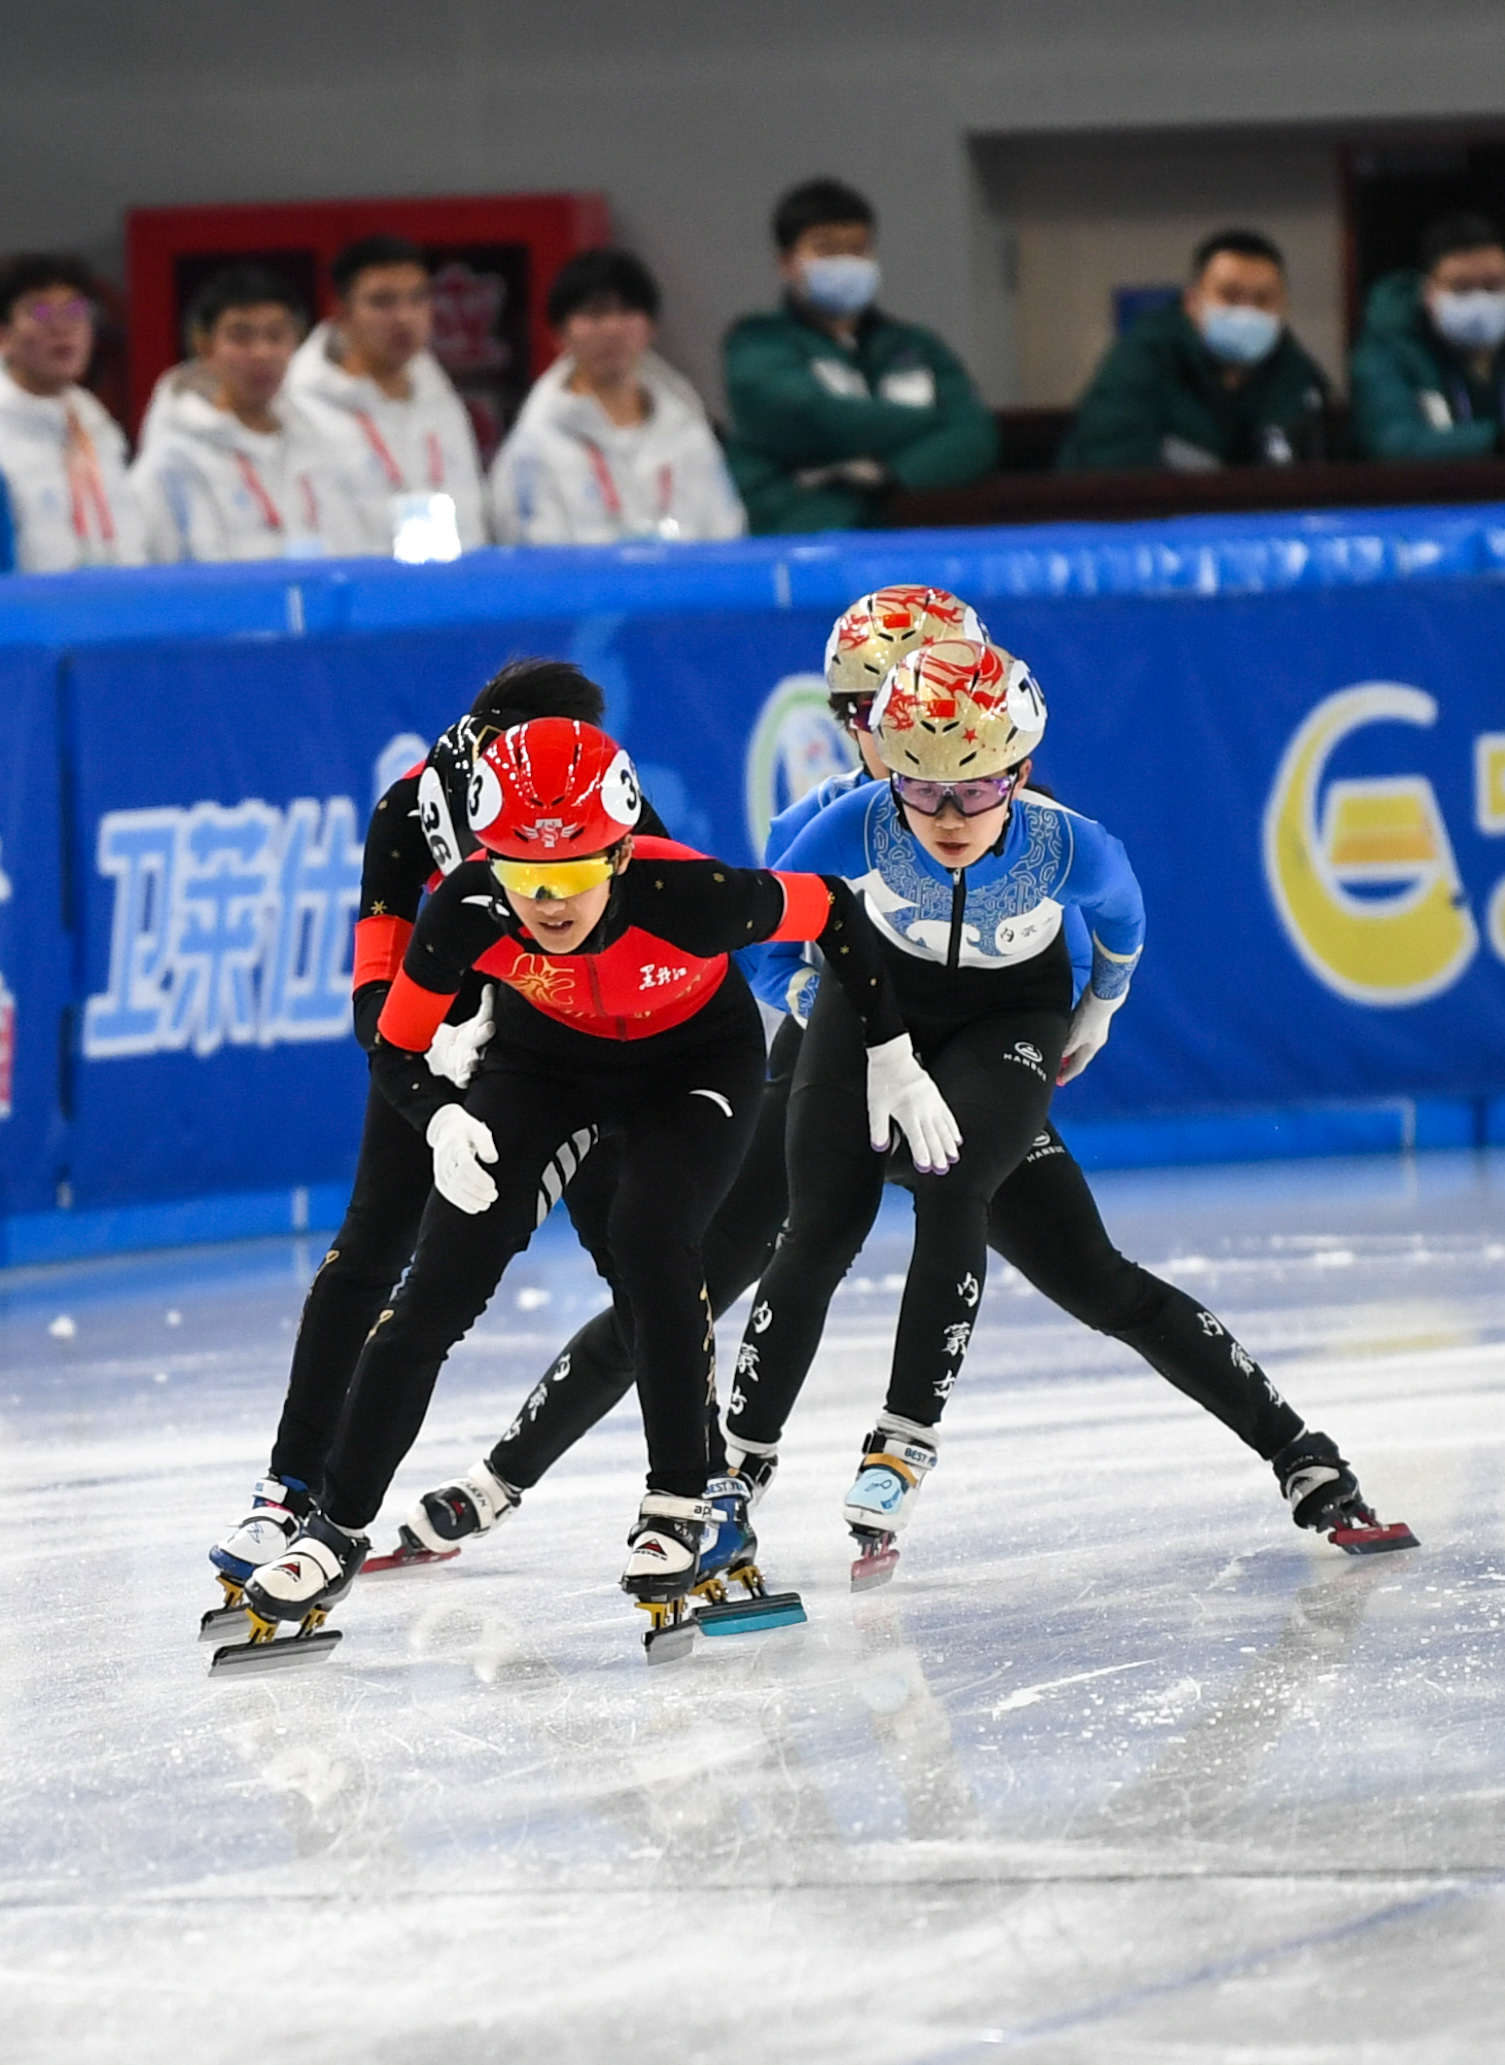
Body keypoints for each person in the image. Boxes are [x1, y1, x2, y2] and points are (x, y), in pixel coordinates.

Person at [406, 591, 1409, 1598]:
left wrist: (1071, 1018)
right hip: (832, 1067)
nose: (895, 738)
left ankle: (1300, 1454)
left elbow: (1080, 941)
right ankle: (510, 1481)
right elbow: (755, 951)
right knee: (690, 1280)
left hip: (974, 1074)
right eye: (859, 709)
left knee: (1094, 1278)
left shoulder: (1012, 814)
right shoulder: (830, 823)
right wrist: (809, 1002)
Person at [240, 716, 956, 1650]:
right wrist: (441, 1114)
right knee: (438, 1283)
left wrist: (892, 1055)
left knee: (653, 1239)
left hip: (691, 1060)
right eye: (521, 872)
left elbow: (832, 910)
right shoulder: (463, 906)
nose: (546, 901)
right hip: (545, 1063)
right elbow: (398, 1042)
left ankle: (680, 1501)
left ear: (618, 854)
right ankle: (334, 1524)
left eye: (574, 873)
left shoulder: (687, 894)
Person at [720, 631, 1407, 1578]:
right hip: (868, 1018)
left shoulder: (1067, 844)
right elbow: (761, 926)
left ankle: (1297, 1456)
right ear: (890, 777)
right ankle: (730, 1481)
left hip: (1007, 1016)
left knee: (1064, 1257)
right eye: (920, 788)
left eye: (976, 786)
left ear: (1021, 770)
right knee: (816, 1232)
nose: (949, 814)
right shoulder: (852, 824)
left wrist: (1101, 1010)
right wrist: (807, 1003)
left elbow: (1123, 924)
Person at [205, 659, 662, 1618]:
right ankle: (290, 1487)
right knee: (373, 1245)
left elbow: (655, 934)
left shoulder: (601, 793)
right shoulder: (410, 810)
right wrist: (427, 1065)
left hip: (567, 1045)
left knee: (640, 1259)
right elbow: (375, 990)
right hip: (440, 1037)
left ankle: (696, 1498)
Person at [722, 178, 998, 534]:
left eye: (858, 248)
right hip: (796, 533)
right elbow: (817, 419)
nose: (846, 262)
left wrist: (888, 475)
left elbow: (975, 435)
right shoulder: (757, 343)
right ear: (787, 264)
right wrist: (932, 421)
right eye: (827, 249)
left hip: (901, 536)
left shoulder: (916, 345)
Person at [491, 247, 745, 545]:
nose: (611, 328)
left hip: (684, 591)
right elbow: (531, 562)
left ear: (651, 328)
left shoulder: (688, 433)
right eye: (593, 313)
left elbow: (727, 535)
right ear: (559, 334)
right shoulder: (534, 445)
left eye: (626, 312)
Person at [132, 266, 362, 563]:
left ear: (296, 343)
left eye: (276, 336)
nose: (261, 353)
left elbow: (352, 553)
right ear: (205, 347)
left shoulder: (318, 445)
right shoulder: (171, 462)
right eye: (241, 338)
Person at [1057, 229, 1329, 472]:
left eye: (1262, 299)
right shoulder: (1144, 355)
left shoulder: (1299, 376)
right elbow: (1113, 459)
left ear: (1284, 309)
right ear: (1192, 302)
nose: (1247, 311)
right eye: (1230, 296)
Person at [287, 233, 488, 557]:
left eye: (418, 299)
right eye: (383, 302)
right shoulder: (298, 406)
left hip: (449, 595)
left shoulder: (439, 395)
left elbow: (472, 511)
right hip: (355, 597)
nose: (404, 317)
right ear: (339, 311)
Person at [0, 252, 145, 572]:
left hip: (115, 613)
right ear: (4, 336)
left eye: (75, 310)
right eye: (40, 312)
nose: (62, 327)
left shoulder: (99, 426)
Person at [1350, 211, 1505, 461]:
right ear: (1428, 292)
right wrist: (1495, 440)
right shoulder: (1386, 350)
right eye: (1461, 287)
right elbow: (1396, 445)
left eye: (1493, 285)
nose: (1480, 300)